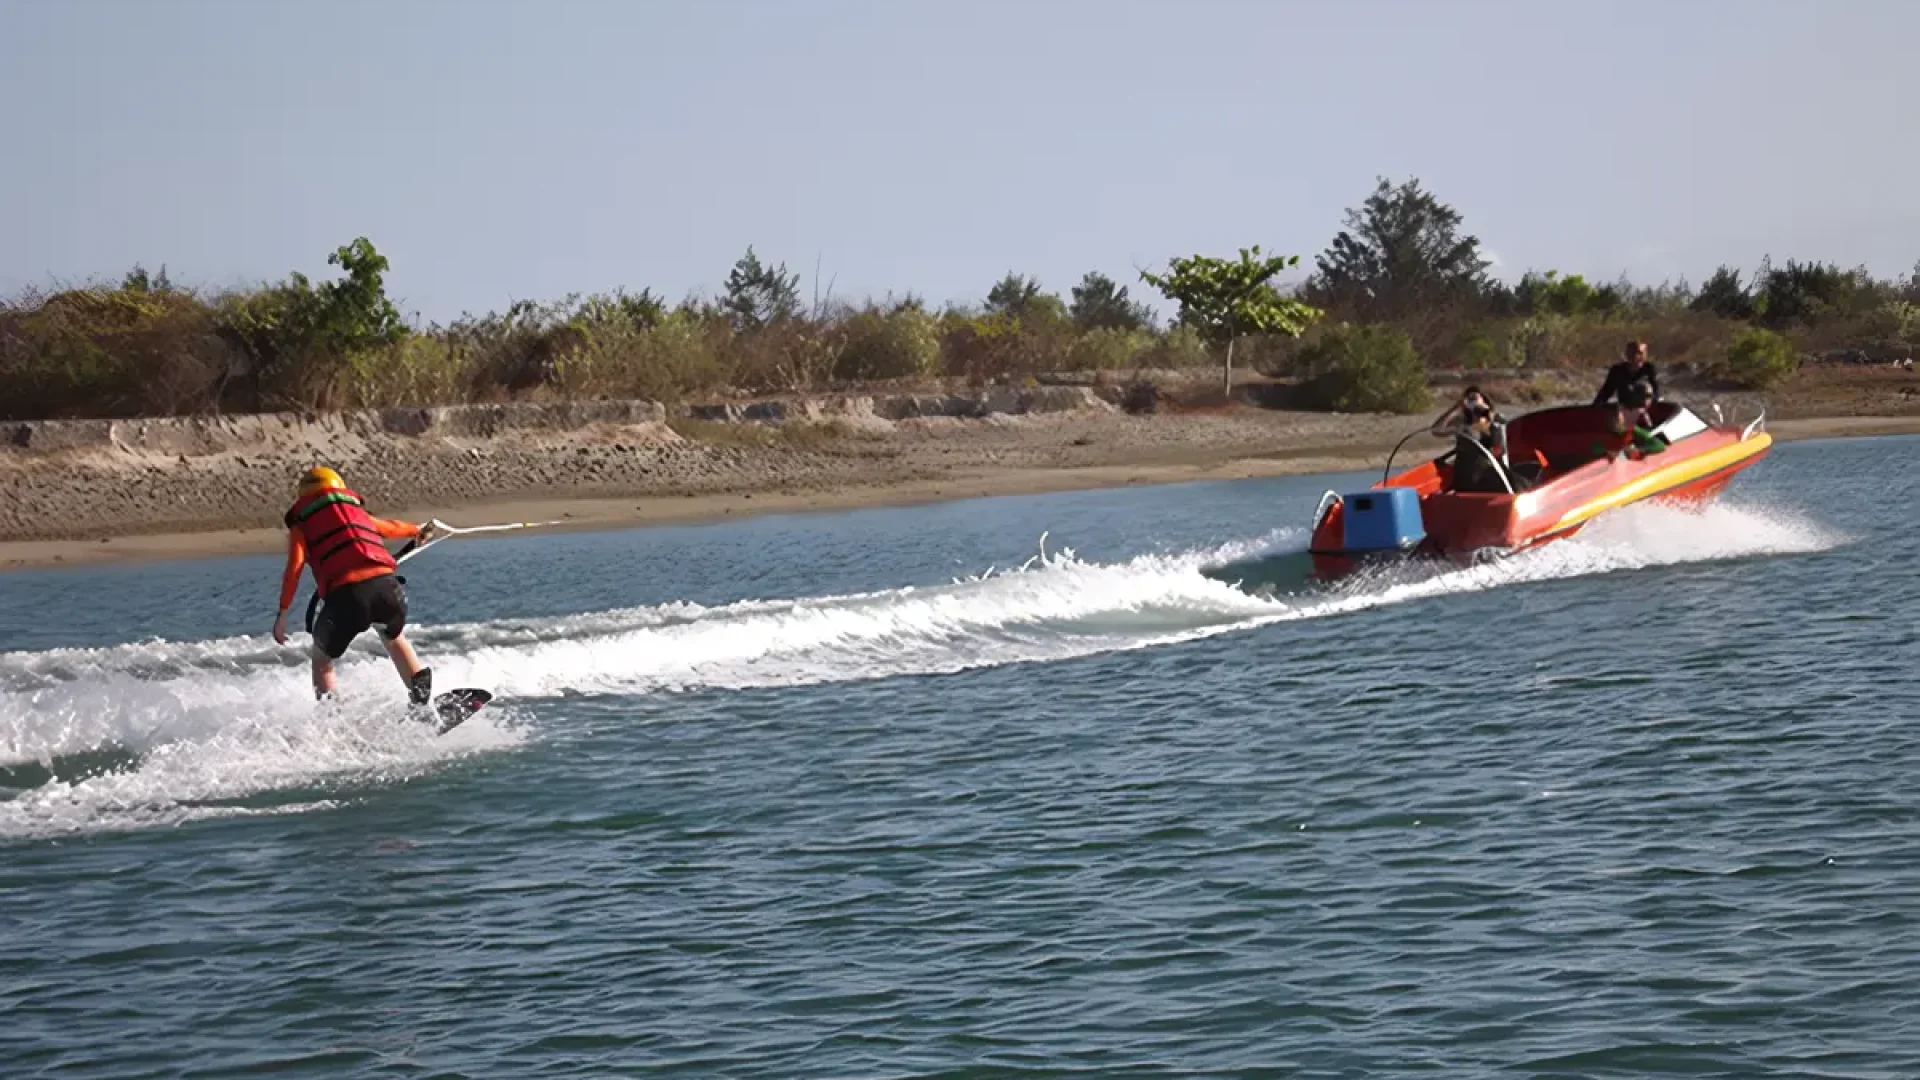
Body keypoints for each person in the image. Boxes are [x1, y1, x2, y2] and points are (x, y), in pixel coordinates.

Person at [271, 466, 437, 704]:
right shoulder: (357, 514)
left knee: (321, 658)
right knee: (393, 636)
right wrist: (418, 531)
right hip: (388, 590)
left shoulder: (303, 525)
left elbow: (294, 568)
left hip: (346, 597)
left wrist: (283, 614)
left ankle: (332, 720)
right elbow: (391, 528)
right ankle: (423, 703)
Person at [1593, 339, 1659, 407]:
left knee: (1644, 388)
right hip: (1624, 409)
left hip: (1644, 407)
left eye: (1640, 353)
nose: (1635, 356)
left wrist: (1650, 402)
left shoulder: (1649, 369)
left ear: (1645, 355)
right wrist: (1594, 408)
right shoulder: (1617, 370)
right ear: (1627, 354)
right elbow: (1605, 392)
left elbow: (1656, 392)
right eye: (1632, 353)